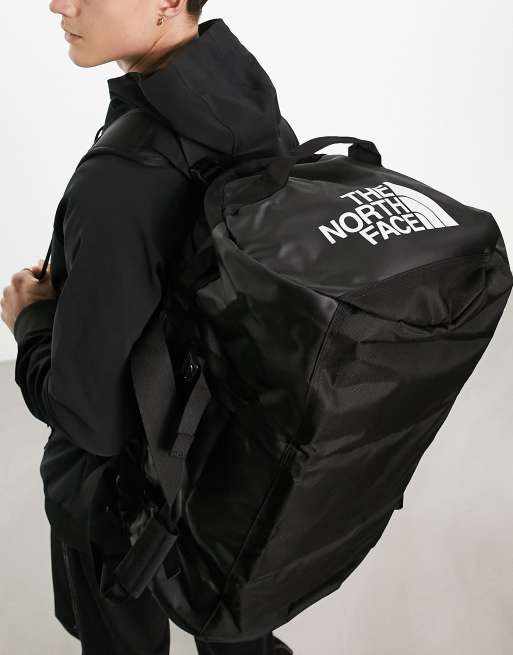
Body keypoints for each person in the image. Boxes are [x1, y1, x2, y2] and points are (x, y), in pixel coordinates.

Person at [1, 1, 299, 654]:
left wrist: (31, 320)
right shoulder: (253, 112)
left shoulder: (120, 177)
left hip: (121, 498)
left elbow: (87, 420)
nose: (59, 3)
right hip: (231, 469)